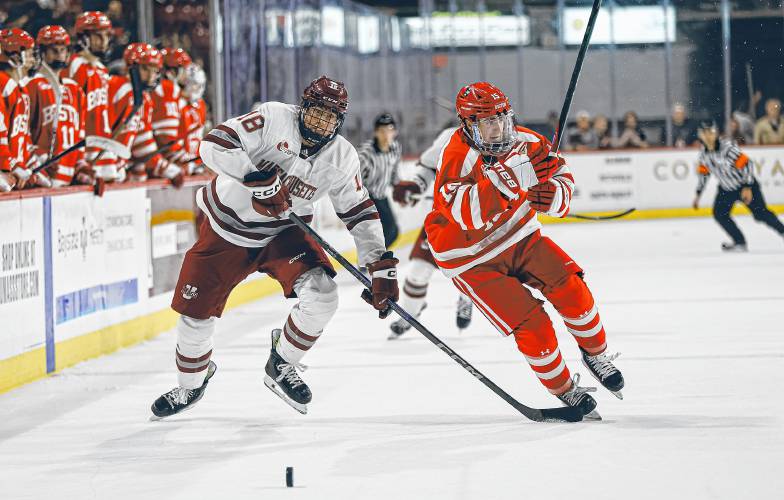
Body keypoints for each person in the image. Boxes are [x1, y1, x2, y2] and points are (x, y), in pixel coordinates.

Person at [150, 76, 398, 418]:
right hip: (228, 230)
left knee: (324, 295)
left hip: (285, 234)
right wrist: (253, 178)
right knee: (194, 317)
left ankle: (282, 361)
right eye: (316, 112)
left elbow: (359, 211)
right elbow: (214, 143)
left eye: (330, 117)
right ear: (303, 107)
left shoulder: (343, 158)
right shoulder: (272, 118)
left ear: (340, 121)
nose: (321, 122)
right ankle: (191, 384)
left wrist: (379, 266)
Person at [424, 82, 625, 419]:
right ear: (467, 125)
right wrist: (511, 176)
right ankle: (564, 388)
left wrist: (556, 195)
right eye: (487, 122)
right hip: (470, 258)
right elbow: (466, 215)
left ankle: (596, 354)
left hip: (521, 236)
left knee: (572, 288)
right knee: (534, 326)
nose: (498, 128)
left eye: (502, 118)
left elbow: (559, 172)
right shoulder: (456, 156)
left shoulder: (526, 141)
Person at [389, 126, 474, 339]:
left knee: (470, 273)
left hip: (478, 220)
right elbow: (429, 167)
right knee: (418, 270)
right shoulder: (451, 136)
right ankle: (410, 312)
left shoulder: (505, 138)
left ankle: (467, 299)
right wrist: (415, 185)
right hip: (444, 218)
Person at [692, 121, 784, 251]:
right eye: (704, 133)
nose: (708, 136)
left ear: (716, 133)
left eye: (711, 132)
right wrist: (698, 194)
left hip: (745, 185)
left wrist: (747, 187)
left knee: (761, 214)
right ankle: (739, 242)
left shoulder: (728, 148)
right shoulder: (703, 154)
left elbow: (747, 165)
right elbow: (704, 174)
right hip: (726, 189)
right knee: (720, 214)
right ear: (700, 135)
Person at [27, 25, 97, 190]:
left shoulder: (75, 90)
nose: (59, 55)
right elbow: (23, 133)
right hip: (39, 179)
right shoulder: (32, 85)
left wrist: (81, 168)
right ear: (42, 53)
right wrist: (35, 162)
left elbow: (79, 136)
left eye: (62, 50)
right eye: (54, 50)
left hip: (67, 181)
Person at [110, 43, 183, 186]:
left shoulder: (145, 99)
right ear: (130, 67)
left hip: (114, 172)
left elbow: (141, 142)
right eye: (145, 69)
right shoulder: (116, 87)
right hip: (99, 171)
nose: (150, 76)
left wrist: (142, 170)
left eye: (155, 71)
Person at [65, 11, 121, 182]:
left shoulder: (102, 69)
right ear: (83, 38)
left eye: (106, 36)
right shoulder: (74, 66)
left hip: (103, 149)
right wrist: (77, 160)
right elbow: (69, 115)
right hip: (84, 152)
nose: (104, 42)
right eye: (98, 36)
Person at [0, 28, 42, 191]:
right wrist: (9, 165)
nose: (33, 60)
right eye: (30, 54)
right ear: (15, 56)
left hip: (12, 175)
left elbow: (23, 137)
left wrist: (30, 166)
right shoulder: (3, 84)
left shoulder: (21, 90)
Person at [357, 112, 402, 248]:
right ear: (376, 132)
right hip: (367, 197)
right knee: (389, 230)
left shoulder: (395, 148)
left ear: (395, 132)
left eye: (389, 130)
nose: (386, 134)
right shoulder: (365, 153)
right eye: (382, 131)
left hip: (382, 196)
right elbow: (353, 177)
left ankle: (373, 259)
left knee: (392, 232)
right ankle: (372, 260)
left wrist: (401, 188)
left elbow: (394, 172)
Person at [150, 47, 192, 165]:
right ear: (172, 71)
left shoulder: (165, 90)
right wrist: (187, 162)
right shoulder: (167, 90)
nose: (186, 75)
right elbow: (167, 140)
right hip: (159, 163)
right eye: (183, 70)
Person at [177, 63, 208, 175]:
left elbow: (199, 137)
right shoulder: (177, 103)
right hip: (179, 163)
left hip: (194, 163)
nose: (197, 88)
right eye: (193, 84)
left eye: (199, 85)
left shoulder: (200, 105)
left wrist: (199, 161)